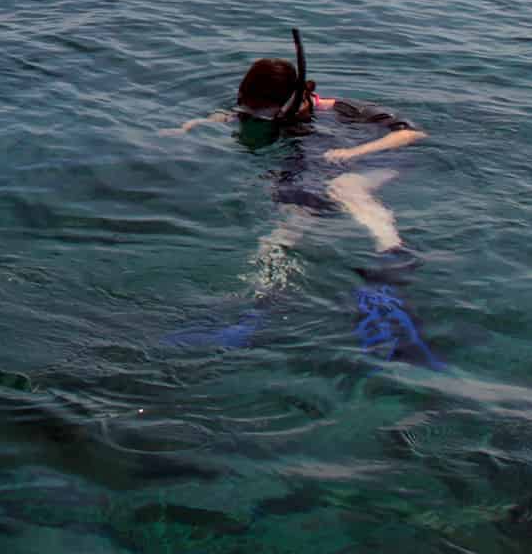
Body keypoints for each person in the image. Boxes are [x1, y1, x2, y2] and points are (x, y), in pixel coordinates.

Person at [163, 36, 441, 366]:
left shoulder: (341, 110)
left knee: (346, 188)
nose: (258, 117)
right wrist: (191, 126)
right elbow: (231, 115)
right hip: (317, 169)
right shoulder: (269, 113)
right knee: (284, 229)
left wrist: (355, 152)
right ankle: (261, 303)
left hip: (371, 161)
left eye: (265, 112)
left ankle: (393, 258)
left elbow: (412, 134)